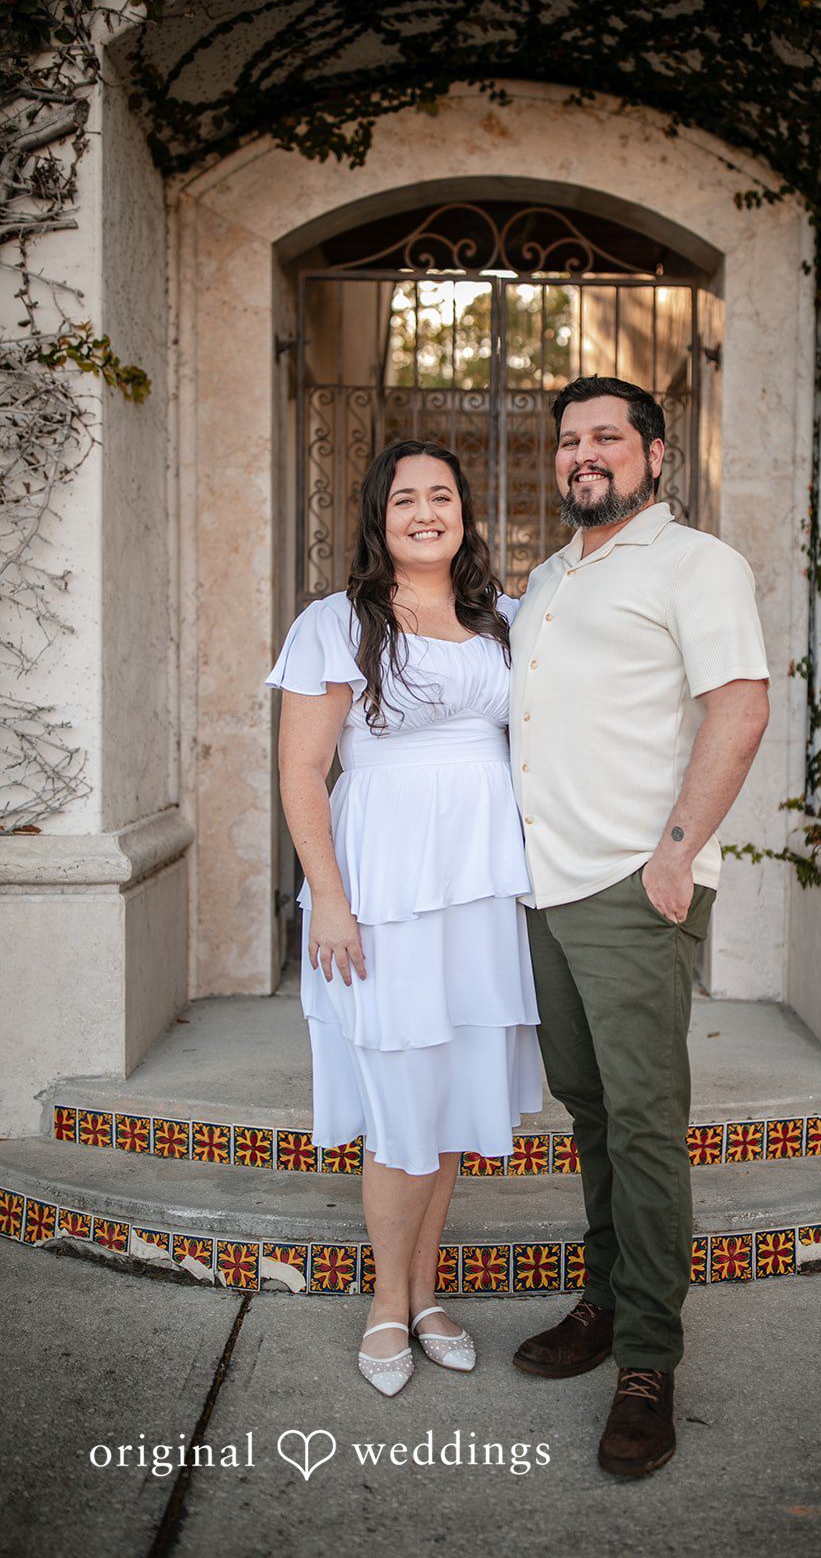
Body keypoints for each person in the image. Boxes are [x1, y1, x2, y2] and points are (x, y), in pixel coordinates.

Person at [508, 376, 770, 1477]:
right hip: (543, 887)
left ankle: (648, 1363)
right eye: (569, 440)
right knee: (591, 1109)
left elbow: (741, 702)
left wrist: (675, 850)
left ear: (654, 454)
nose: (583, 455)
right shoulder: (547, 576)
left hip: (630, 882)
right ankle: (606, 1301)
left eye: (606, 437)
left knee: (646, 1119)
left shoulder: (696, 564)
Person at [266, 439, 541, 1397]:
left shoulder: (504, 618)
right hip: (381, 885)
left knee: (454, 1088)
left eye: (441, 496)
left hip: (481, 886)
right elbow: (303, 770)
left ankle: (427, 1298)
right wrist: (330, 901)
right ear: (378, 520)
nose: (425, 512)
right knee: (397, 1096)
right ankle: (388, 1303)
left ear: (464, 511)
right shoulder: (338, 622)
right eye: (403, 499)